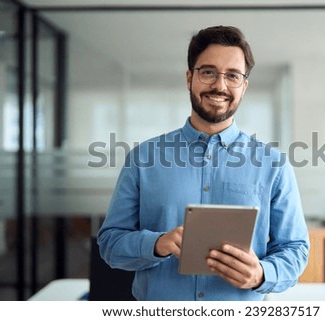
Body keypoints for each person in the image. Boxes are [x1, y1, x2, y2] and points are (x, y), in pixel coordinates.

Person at [97, 25, 309, 301]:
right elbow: (110, 243)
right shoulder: (143, 159)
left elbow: (295, 249)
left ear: (243, 87)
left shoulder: (274, 166)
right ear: (189, 78)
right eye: (208, 72)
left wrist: (262, 274)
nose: (220, 86)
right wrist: (157, 244)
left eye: (232, 76)